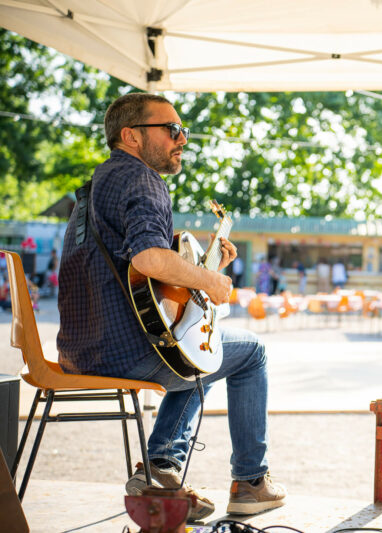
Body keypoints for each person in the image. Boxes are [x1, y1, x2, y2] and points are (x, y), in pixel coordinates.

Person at [56, 93, 286, 521]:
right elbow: (148, 260)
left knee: (202, 354)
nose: (183, 138)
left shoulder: (97, 185)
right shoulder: (143, 180)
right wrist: (212, 281)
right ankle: (251, 482)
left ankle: (162, 469)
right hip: (127, 351)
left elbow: (142, 273)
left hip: (79, 349)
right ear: (131, 136)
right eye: (172, 129)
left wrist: (209, 265)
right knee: (249, 352)